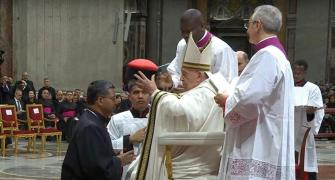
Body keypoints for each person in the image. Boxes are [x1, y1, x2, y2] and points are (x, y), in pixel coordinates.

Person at [128, 32, 227, 179]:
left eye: (185, 74)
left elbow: (180, 109)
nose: (181, 79)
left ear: (199, 75)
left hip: (192, 166)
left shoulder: (204, 91)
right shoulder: (217, 86)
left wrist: (155, 92)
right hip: (205, 162)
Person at [214, 5, 295, 179]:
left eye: (248, 24)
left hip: (258, 138)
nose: (248, 29)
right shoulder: (278, 55)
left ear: (257, 24)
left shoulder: (267, 55)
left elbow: (250, 99)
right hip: (269, 132)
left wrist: (226, 100)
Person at [61, 80, 135, 180]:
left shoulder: (92, 119)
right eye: (113, 98)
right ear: (100, 100)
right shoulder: (90, 126)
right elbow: (96, 169)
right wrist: (119, 161)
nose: (116, 102)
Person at [167, 9, 237, 88]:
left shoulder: (221, 49)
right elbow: (176, 72)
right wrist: (171, 83)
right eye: (182, 31)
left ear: (202, 26)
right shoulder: (182, 44)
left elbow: (226, 83)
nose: (185, 35)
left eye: (188, 31)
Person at [293, 60, 324, 180]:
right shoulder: (287, 86)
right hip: (289, 129)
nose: (296, 75)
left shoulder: (313, 88)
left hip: (304, 127)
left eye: (299, 73)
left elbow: (319, 110)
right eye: (294, 72)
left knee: (306, 159)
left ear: (305, 72)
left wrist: (310, 113)